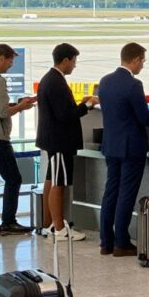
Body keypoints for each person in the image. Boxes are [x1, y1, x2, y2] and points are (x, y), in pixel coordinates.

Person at [98, 43, 149, 257]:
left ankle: (106, 242)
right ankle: (122, 242)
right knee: (126, 195)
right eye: (143, 61)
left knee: (110, 192)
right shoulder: (133, 84)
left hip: (111, 145)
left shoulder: (105, 81)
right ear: (136, 60)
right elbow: (143, 118)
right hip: (131, 147)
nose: (142, 66)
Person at [35, 43, 98, 242]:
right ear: (65, 60)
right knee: (59, 183)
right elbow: (65, 115)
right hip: (60, 141)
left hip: (52, 139)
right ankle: (59, 228)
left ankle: (48, 224)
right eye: (74, 61)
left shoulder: (48, 79)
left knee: (50, 181)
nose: (74, 66)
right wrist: (86, 105)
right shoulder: (56, 82)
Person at [0, 44, 36, 238]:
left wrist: (16, 104)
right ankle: (8, 222)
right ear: (1, 58)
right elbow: (2, 112)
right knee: (13, 179)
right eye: (10, 60)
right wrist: (20, 107)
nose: (11, 64)